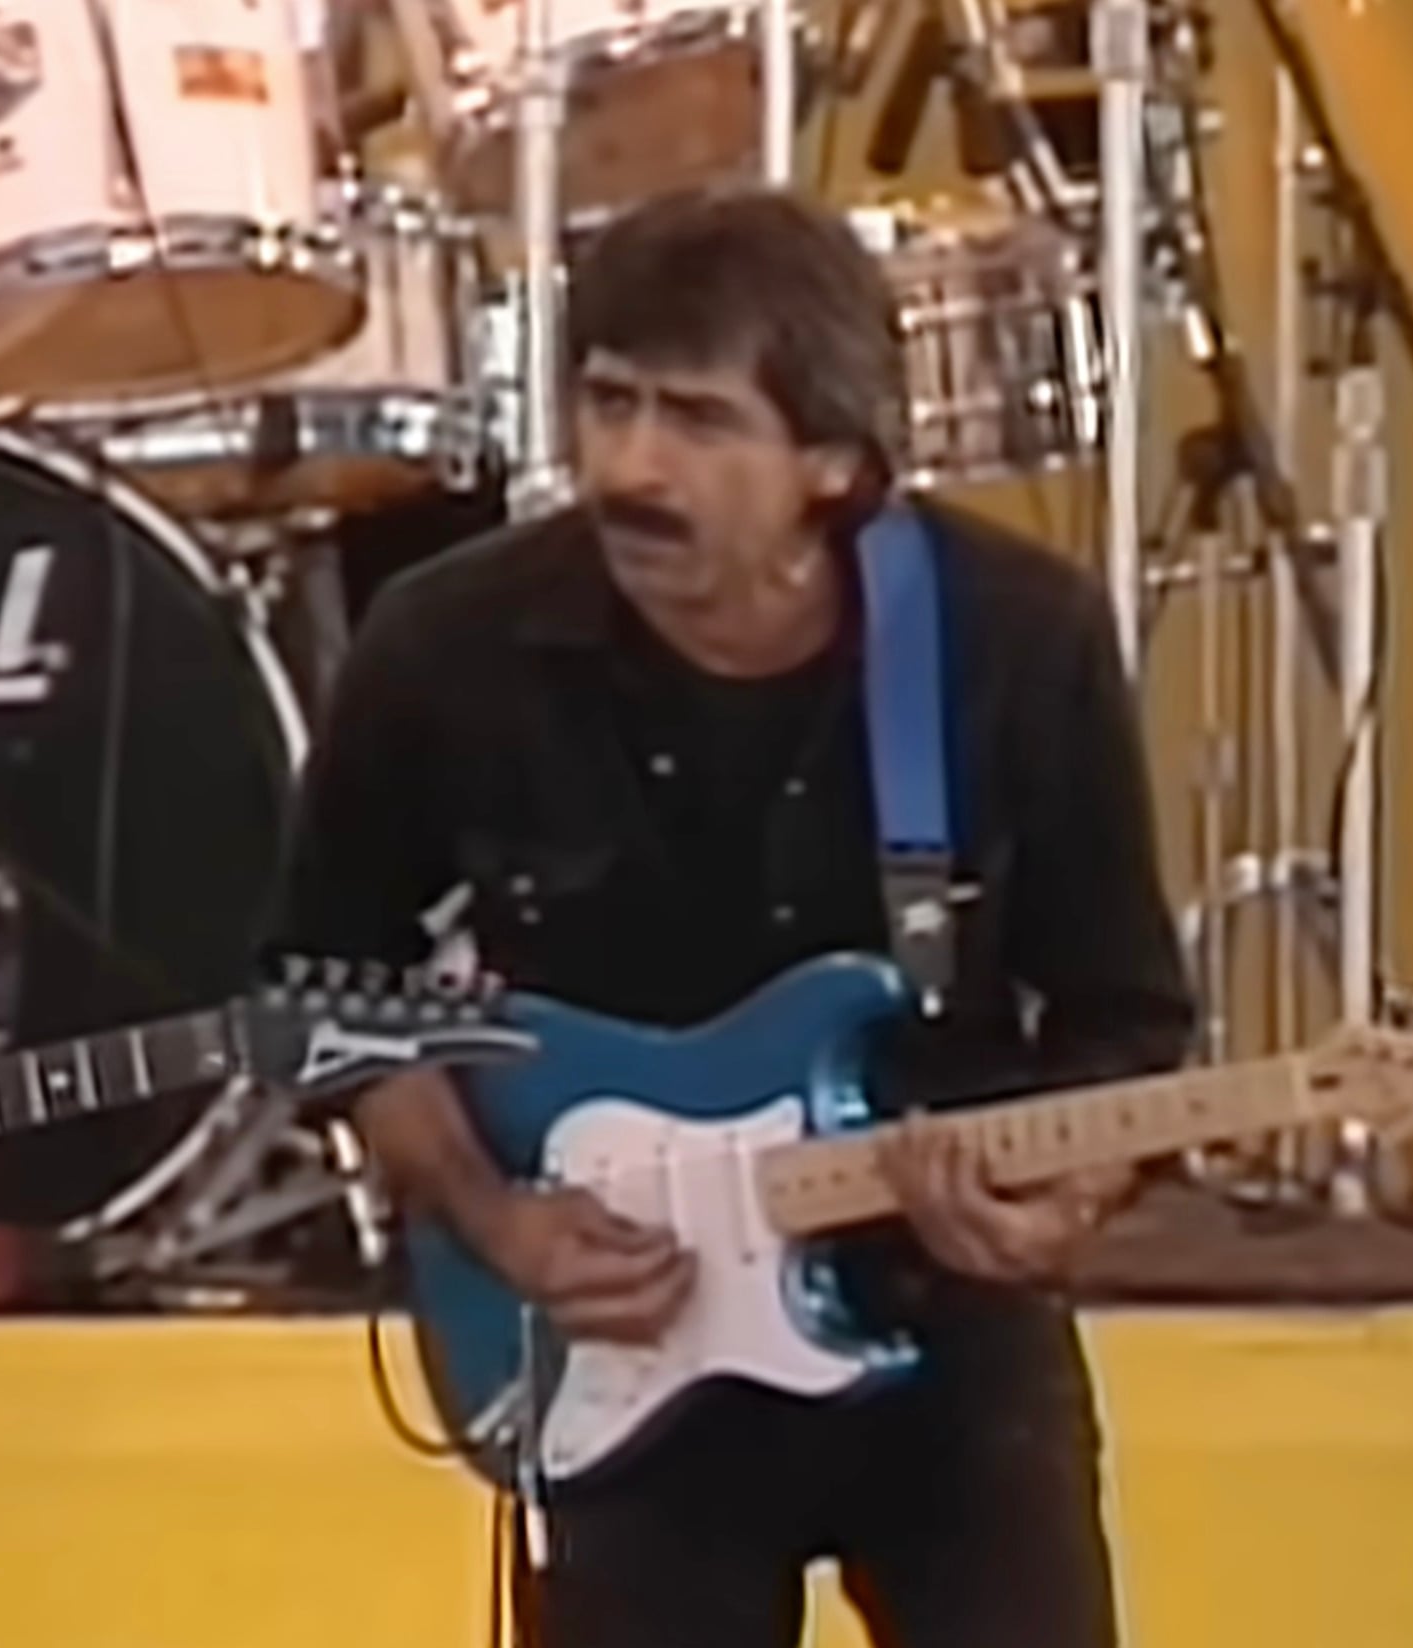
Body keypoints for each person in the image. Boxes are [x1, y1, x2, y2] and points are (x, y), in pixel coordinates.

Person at [267, 183, 1194, 1648]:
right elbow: (330, 991)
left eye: (697, 421)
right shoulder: (446, 646)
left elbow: (1128, 1023)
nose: (629, 466)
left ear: (834, 459)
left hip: (949, 1351)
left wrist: (1058, 1201)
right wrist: (493, 1219)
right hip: (622, 1359)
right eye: (608, 401)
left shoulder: (1015, 639)